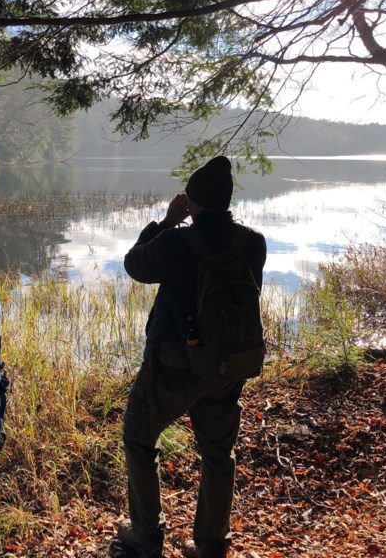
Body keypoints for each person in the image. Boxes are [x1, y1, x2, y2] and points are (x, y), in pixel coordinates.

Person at [114, 156, 267, 558]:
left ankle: (146, 535)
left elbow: (134, 264)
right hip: (228, 364)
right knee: (218, 451)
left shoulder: (177, 241)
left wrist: (167, 221)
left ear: (192, 201)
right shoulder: (253, 242)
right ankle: (211, 543)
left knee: (139, 435)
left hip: (174, 365)